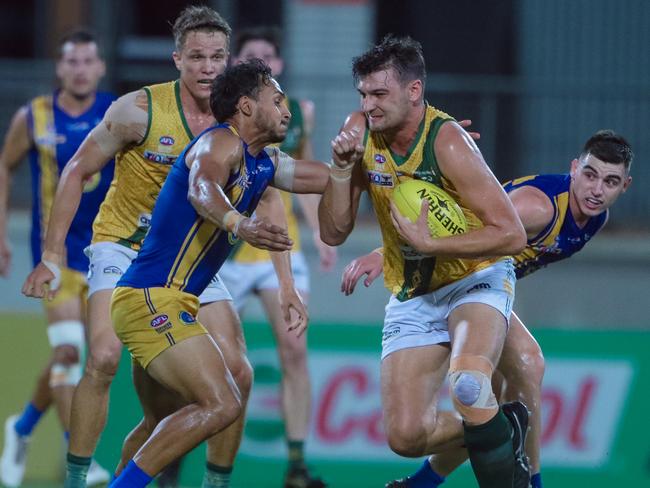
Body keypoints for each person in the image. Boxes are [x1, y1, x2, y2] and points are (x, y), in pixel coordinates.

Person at [21, 7, 274, 488]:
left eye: (217, 56)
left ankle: (214, 483)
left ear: (229, 60)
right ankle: (76, 479)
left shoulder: (240, 120)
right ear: (177, 59)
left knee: (239, 373)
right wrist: (51, 256)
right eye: (196, 56)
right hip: (123, 247)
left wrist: (285, 280)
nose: (207, 67)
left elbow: (274, 190)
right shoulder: (137, 110)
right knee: (101, 358)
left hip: (186, 257)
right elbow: (76, 170)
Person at [342, 129, 633, 488]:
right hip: (460, 280)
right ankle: (516, 477)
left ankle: (427, 482)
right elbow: (452, 219)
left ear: (625, 186)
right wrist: (380, 255)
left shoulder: (595, 218)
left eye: (610, 181)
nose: (596, 189)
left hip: (483, 288)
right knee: (507, 381)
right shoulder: (539, 208)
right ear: (574, 168)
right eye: (590, 175)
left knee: (502, 388)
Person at [105, 59, 339, 487]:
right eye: (278, 100)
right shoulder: (219, 143)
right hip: (152, 298)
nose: (288, 112)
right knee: (224, 401)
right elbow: (201, 189)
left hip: (162, 300)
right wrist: (239, 223)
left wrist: (370, 160)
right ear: (247, 107)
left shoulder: (263, 161)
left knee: (159, 420)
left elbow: (327, 178)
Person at [318, 35, 531, 488]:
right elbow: (333, 232)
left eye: (379, 94)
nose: (368, 105)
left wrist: (434, 245)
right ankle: (503, 424)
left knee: (469, 387)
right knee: (406, 436)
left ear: (413, 92)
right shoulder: (362, 136)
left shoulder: (448, 142)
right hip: (414, 291)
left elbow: (511, 234)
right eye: (363, 95)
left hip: (475, 279)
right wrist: (339, 169)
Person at [218, 26, 335, 488]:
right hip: (223, 254)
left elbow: (301, 176)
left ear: (280, 66)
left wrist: (323, 234)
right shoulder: (223, 113)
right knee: (215, 364)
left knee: (294, 351)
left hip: (277, 249)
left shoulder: (296, 114)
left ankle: (296, 465)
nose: (263, 62)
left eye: (269, 56)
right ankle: (177, 458)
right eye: (253, 56)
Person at [0, 29, 112, 487]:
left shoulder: (116, 112)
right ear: (59, 68)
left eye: (88, 61)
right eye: (72, 62)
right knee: (68, 350)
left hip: (107, 252)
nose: (80, 69)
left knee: (87, 359)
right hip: (55, 255)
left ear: (100, 68)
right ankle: (79, 462)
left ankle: (21, 427)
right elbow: (4, 166)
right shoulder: (34, 116)